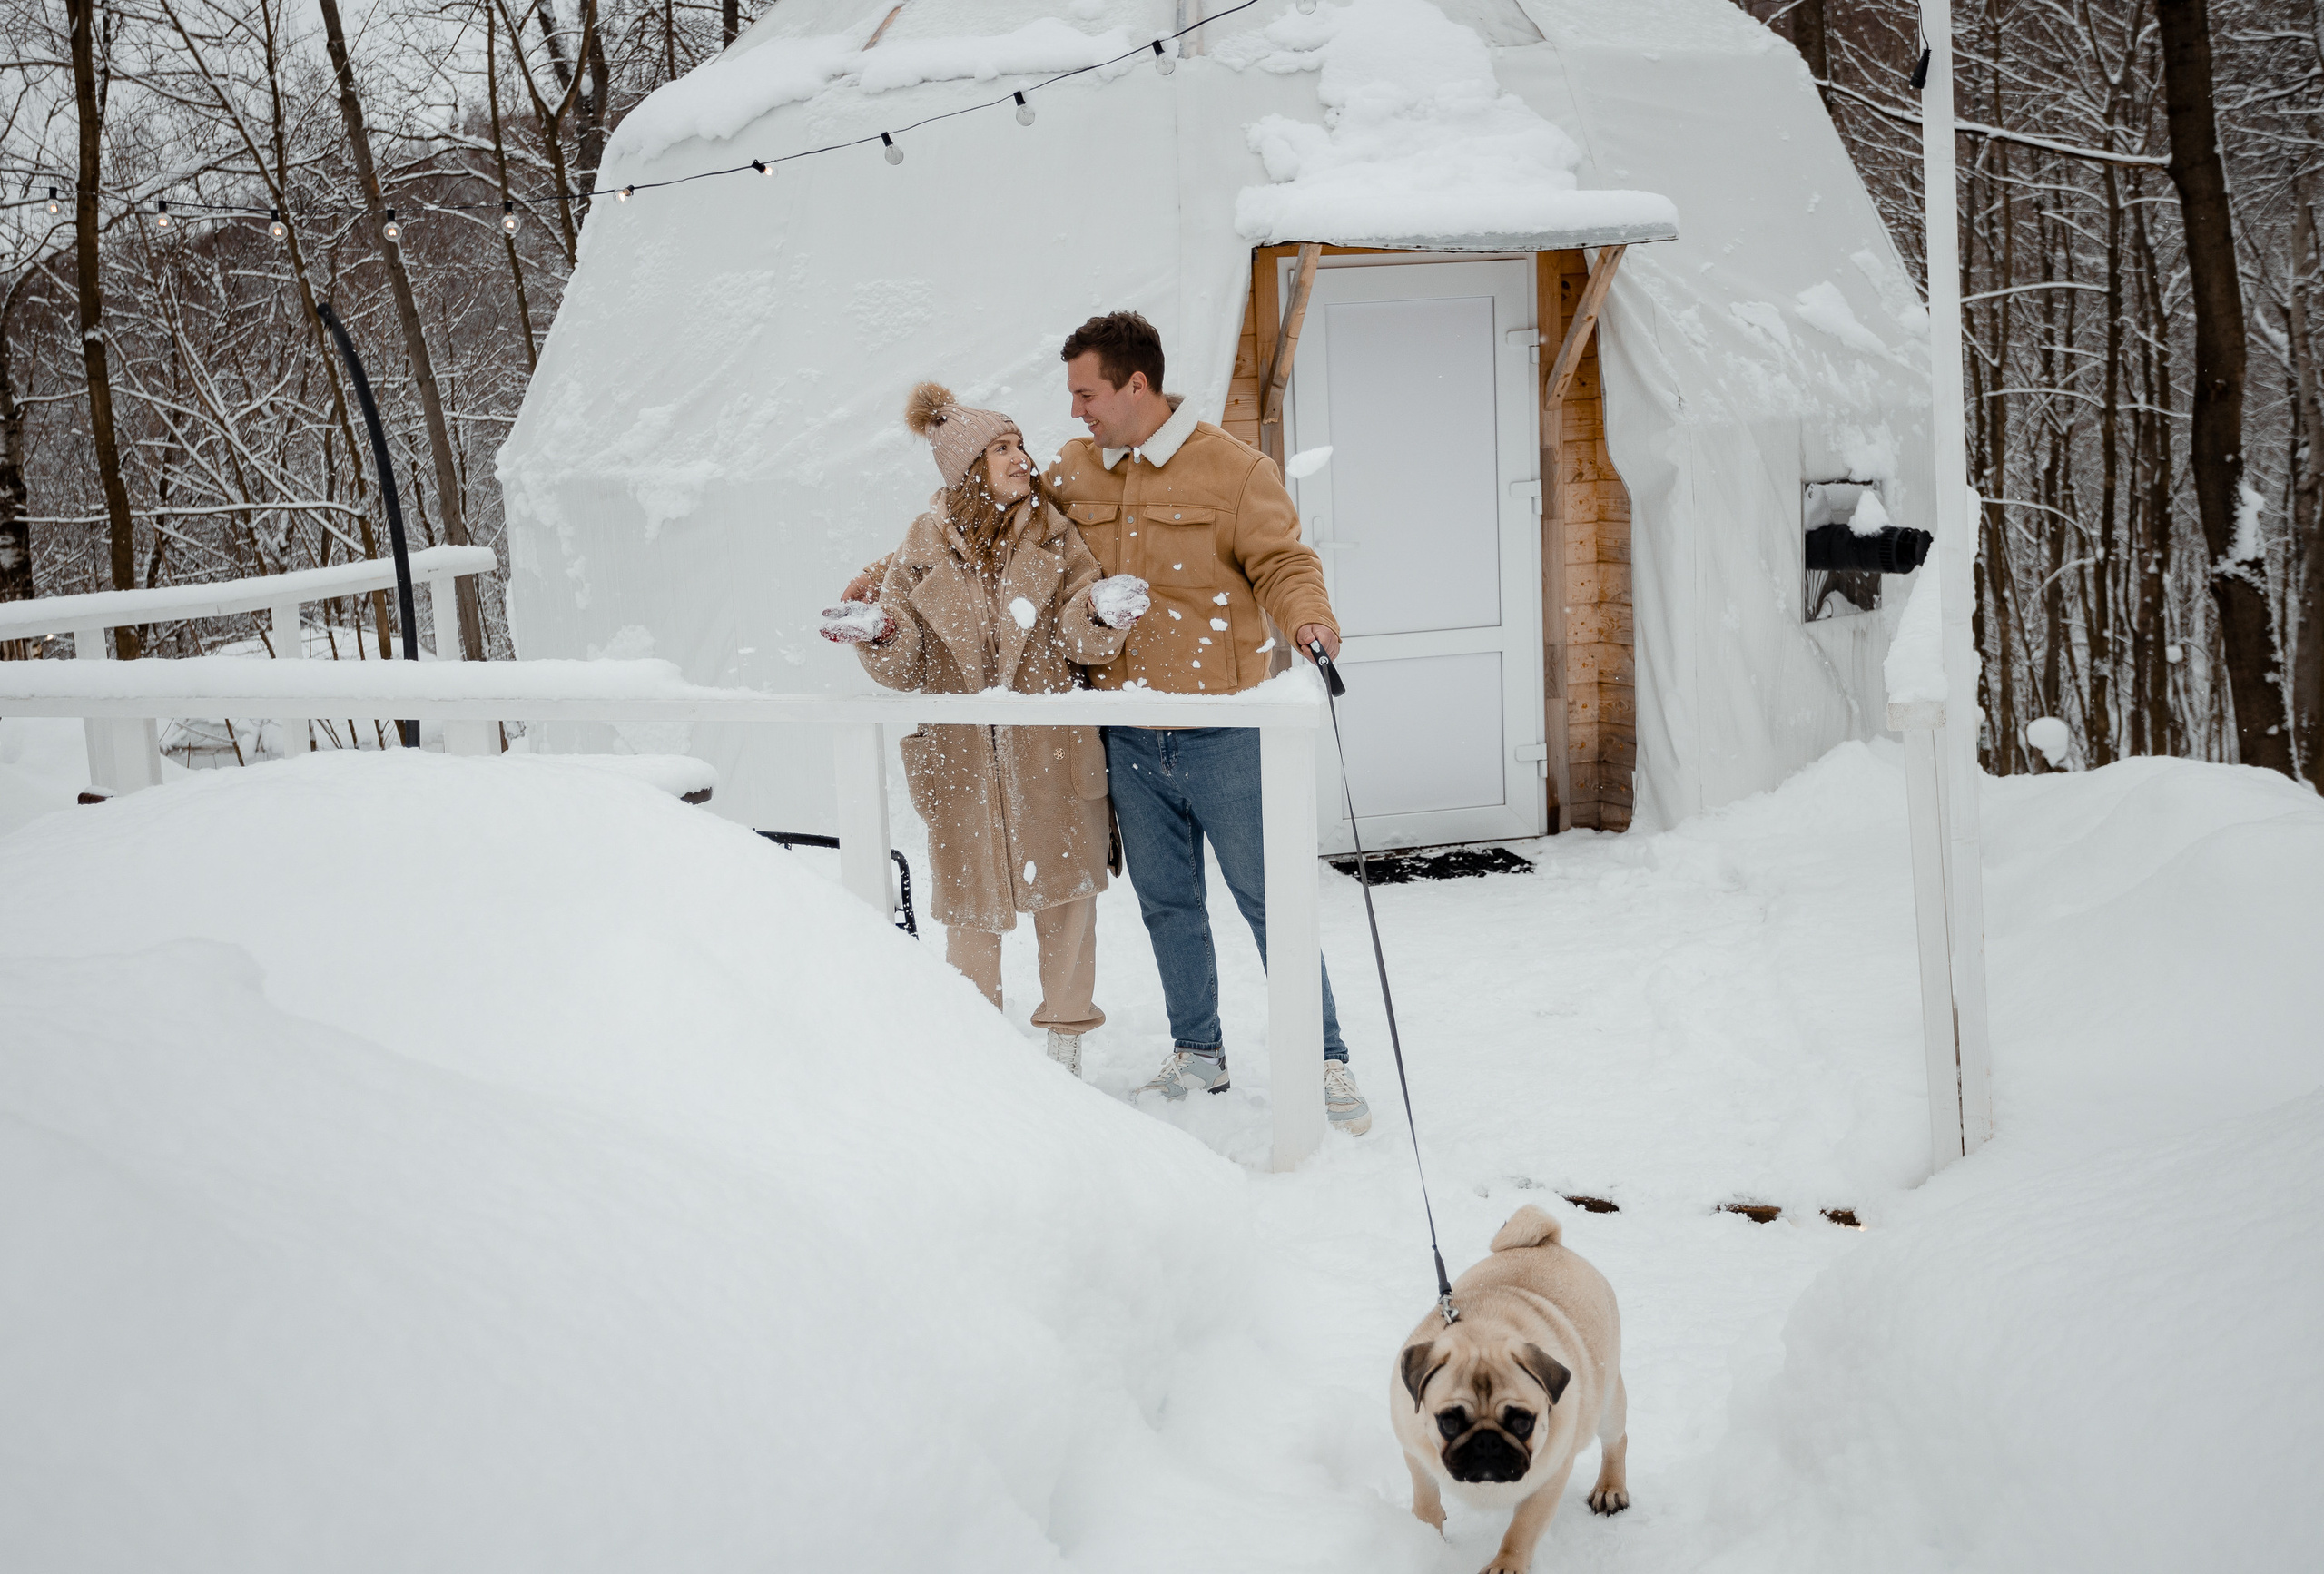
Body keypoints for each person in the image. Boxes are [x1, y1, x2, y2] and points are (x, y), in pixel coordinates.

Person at [1050, 310, 1371, 1136]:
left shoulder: (1232, 471)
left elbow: (1283, 562)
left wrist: (1309, 620)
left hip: (1224, 730)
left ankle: (1324, 1057)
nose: (1078, 411)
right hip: (1126, 730)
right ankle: (1199, 1053)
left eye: (1088, 394)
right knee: (1167, 904)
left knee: (1272, 902)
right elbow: (1011, 537)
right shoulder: (1073, 471)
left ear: (1137, 384)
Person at [820, 383, 1150, 1077]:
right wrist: (878, 632)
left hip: (1050, 761)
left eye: (1020, 443)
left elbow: (1074, 636)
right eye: (1001, 448)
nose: (1020, 457)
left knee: (1065, 909)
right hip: (961, 765)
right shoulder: (919, 550)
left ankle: (1065, 1051)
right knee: (970, 916)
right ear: (968, 468)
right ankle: (982, 1069)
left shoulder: (1057, 540)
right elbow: (906, 664)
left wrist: (1100, 614)